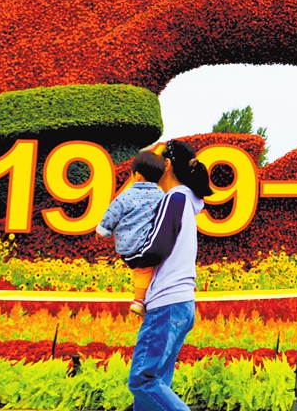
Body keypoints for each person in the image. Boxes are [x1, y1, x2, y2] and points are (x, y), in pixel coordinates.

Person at [126, 140, 212, 411]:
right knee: (150, 391)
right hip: (179, 304)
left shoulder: (174, 198)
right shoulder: (185, 201)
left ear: (167, 165)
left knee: (142, 381)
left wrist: (131, 257)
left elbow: (156, 248)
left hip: (167, 303)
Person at [96, 150, 168, 315]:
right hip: (144, 247)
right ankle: (139, 301)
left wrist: (102, 230)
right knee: (144, 270)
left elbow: (112, 213)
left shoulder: (126, 195)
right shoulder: (160, 195)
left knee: (138, 270)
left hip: (126, 248)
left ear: (137, 175)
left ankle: (140, 293)